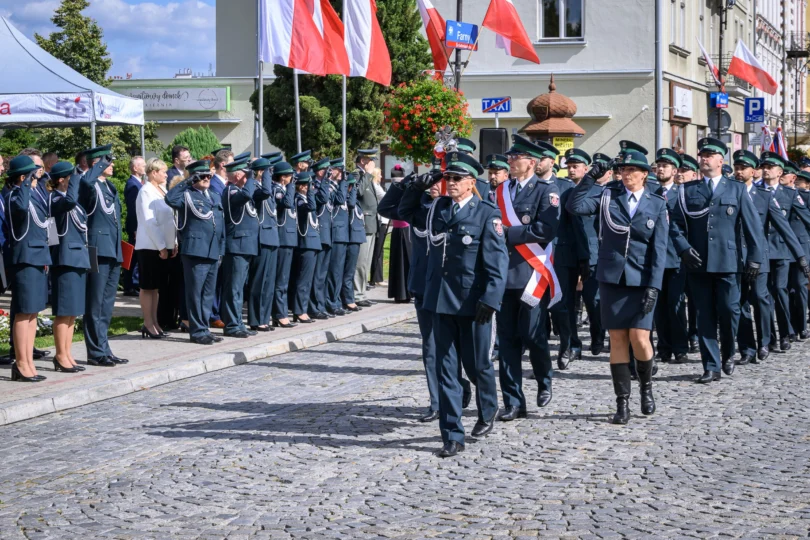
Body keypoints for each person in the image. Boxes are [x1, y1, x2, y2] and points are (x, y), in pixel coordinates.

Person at [399, 152, 508, 458]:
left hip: (473, 303)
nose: (450, 183)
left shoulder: (487, 213)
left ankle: (488, 408)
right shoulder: (436, 209)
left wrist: (491, 299)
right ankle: (452, 434)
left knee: (477, 365)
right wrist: (417, 185)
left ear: (472, 182)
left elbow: (498, 263)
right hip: (439, 301)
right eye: (447, 178)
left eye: (457, 179)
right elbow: (402, 209)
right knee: (446, 369)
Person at [567, 150, 668, 424]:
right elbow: (575, 206)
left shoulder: (657, 204)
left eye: (632, 170)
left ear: (644, 174)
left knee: (640, 337)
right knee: (619, 340)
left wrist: (654, 287)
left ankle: (646, 387)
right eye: (622, 170)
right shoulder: (608, 196)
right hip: (612, 279)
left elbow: (659, 251)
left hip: (643, 280)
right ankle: (622, 402)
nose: (626, 174)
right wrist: (590, 177)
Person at [379, 171, 474, 422]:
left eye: (440, 182)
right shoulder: (419, 208)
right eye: (432, 182)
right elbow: (386, 207)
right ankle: (437, 401)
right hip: (423, 286)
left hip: (454, 289)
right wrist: (408, 185)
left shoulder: (460, 210)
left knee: (459, 348)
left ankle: (458, 383)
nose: (434, 186)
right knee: (431, 346)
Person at [669, 138, 763, 383]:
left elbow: (753, 228)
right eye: (701, 155)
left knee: (730, 311)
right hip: (698, 262)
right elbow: (676, 225)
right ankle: (711, 366)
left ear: (721, 160)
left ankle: (729, 352)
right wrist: (683, 249)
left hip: (728, 262)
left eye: (710, 155)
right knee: (704, 315)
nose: (704, 158)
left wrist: (754, 259)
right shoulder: (688, 190)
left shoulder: (737, 189)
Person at [494, 136, 561, 421]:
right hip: (502, 275)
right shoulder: (500, 191)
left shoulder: (546, 192)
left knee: (533, 336)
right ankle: (513, 401)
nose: (510, 161)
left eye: (515, 157)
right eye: (509, 157)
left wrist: (509, 234)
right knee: (507, 341)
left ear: (530, 162)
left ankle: (544, 379)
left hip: (532, 274)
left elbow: (545, 229)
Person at [732, 150, 803, 366]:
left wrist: (801, 257)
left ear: (753, 171)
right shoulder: (729, 192)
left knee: (762, 298)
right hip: (734, 257)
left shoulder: (764, 197)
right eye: (736, 167)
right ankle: (746, 348)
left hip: (759, 256)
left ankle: (764, 340)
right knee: (740, 303)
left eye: (743, 168)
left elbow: (784, 228)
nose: (738, 171)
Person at [165, 160, 225, 345]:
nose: (207, 178)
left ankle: (204, 328)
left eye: (208, 175)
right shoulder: (187, 195)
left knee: (208, 294)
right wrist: (188, 180)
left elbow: (220, 225)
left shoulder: (214, 196)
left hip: (213, 251)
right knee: (195, 293)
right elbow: (169, 199)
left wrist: (221, 250)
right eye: (202, 176)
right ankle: (196, 330)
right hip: (196, 252)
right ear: (194, 177)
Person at [80, 145, 128, 367]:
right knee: (95, 303)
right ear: (96, 163)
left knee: (107, 304)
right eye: (108, 161)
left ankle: (104, 347)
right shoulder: (89, 185)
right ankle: (95, 351)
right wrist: (98, 164)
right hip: (97, 249)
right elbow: (86, 183)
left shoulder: (109, 186)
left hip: (112, 249)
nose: (112, 165)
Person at [6, 156, 51, 382]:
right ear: (23, 177)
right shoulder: (16, 195)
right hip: (25, 258)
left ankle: (29, 361)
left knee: (33, 312)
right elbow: (21, 209)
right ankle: (21, 363)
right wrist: (24, 182)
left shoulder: (35, 194)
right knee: (23, 313)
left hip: (38, 255)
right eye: (34, 173)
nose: (38, 176)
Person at [759, 153, 810, 351]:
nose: (765, 170)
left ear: (779, 172)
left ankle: (786, 332)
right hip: (761, 251)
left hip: (781, 250)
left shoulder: (789, 194)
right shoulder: (754, 192)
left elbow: (806, 218)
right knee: (763, 296)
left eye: (770, 167)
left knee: (780, 291)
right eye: (763, 166)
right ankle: (769, 337)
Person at [552, 148, 590, 370]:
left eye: (575, 165)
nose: (570, 169)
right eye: (569, 165)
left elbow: (578, 228)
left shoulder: (568, 189)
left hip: (564, 254)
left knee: (563, 304)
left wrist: (583, 258)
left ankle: (568, 345)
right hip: (538, 254)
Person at [49, 161, 89, 373]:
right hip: (64, 259)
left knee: (73, 312)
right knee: (64, 312)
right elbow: (53, 235)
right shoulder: (55, 199)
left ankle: (67, 353)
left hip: (77, 256)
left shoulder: (69, 199)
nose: (77, 179)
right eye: (72, 176)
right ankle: (60, 355)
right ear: (62, 179)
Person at [652, 148, 689, 364]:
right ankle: (663, 347)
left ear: (674, 171)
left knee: (676, 305)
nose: (660, 169)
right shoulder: (651, 192)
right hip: (656, 258)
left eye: (665, 166)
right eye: (658, 165)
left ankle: (680, 347)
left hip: (676, 258)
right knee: (658, 306)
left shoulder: (682, 193)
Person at [134, 158, 177, 339]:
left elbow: (171, 219)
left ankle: (155, 321)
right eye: (163, 171)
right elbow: (150, 221)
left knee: (156, 287)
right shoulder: (146, 191)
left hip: (164, 245)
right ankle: (148, 323)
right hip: (150, 246)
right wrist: (161, 246)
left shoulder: (163, 190)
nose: (166, 174)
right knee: (148, 286)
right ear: (153, 173)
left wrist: (173, 242)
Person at [221, 155, 259, 338]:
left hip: (245, 245)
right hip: (236, 246)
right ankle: (231, 324)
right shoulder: (231, 191)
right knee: (233, 288)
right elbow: (246, 195)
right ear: (236, 175)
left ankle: (238, 322)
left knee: (239, 288)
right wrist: (251, 177)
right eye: (244, 174)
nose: (247, 177)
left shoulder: (241, 189)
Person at [247, 157, 281, 332]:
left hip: (272, 237)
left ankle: (264, 317)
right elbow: (266, 192)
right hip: (261, 237)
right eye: (268, 170)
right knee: (259, 281)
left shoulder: (264, 186)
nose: (271, 173)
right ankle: (255, 319)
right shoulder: (253, 186)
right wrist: (264, 173)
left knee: (269, 282)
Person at [308, 158, 343, 319]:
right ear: (319, 171)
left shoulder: (326, 185)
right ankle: (314, 307)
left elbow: (340, 199)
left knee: (323, 274)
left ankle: (321, 305)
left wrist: (341, 181)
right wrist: (324, 181)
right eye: (326, 170)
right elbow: (321, 199)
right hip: (319, 234)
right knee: (316, 275)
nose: (329, 173)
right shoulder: (315, 185)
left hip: (327, 234)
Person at [290, 171, 319, 323]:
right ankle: (299, 310)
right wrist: (310, 193)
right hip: (305, 242)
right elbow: (311, 207)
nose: (312, 187)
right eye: (309, 185)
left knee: (307, 280)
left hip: (312, 241)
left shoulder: (303, 197)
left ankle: (302, 308)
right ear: (301, 186)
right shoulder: (298, 199)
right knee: (302, 279)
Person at [272, 161, 299, 328]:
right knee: (280, 280)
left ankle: (280, 313)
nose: (292, 179)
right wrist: (290, 187)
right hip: (282, 238)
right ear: (283, 177)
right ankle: (279, 314)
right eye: (290, 175)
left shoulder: (283, 189)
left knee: (285, 279)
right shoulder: (277, 190)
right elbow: (287, 204)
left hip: (288, 238)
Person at [353, 149, 379, 307]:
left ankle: (361, 292)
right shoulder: (357, 174)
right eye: (371, 160)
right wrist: (368, 174)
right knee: (360, 262)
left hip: (371, 224)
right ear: (364, 161)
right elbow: (357, 192)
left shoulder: (366, 176)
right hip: (362, 223)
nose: (374, 163)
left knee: (366, 262)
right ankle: (357, 294)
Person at [326, 165, 351, 317]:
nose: (341, 174)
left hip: (342, 232)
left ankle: (335, 300)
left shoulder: (336, 186)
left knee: (339, 271)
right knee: (333, 271)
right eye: (338, 170)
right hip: (335, 232)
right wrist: (342, 183)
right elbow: (340, 200)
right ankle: (331, 301)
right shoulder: (330, 187)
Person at [386, 165, 412, 303]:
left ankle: (405, 292)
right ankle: (401, 293)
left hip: (405, 228)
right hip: (399, 229)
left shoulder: (401, 189)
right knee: (400, 262)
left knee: (406, 261)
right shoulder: (395, 190)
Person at [790, 171, 810, 340]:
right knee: (784, 289)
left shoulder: (804, 198)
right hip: (783, 247)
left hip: (802, 246)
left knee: (799, 285)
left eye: (801, 181)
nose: (797, 183)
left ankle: (802, 326)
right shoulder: (783, 194)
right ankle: (789, 327)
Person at [344, 172, 367, 311]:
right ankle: (347, 299)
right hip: (350, 238)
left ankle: (348, 298)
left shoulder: (354, 199)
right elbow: (351, 204)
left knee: (350, 271)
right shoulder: (347, 198)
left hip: (355, 238)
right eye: (353, 185)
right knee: (347, 272)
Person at [123, 157, 145, 297]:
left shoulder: (138, 183)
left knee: (136, 258)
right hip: (136, 227)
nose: (144, 167)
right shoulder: (133, 185)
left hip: (139, 227)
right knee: (134, 258)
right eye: (142, 165)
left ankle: (132, 284)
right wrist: (135, 229)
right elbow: (133, 209)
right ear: (135, 168)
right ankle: (130, 285)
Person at [368, 167, 388, 288]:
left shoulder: (377, 186)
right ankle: (376, 278)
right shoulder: (375, 186)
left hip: (382, 220)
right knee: (378, 250)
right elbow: (386, 197)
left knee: (379, 250)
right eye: (379, 174)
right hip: (381, 221)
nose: (381, 177)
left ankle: (377, 277)